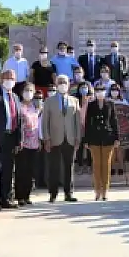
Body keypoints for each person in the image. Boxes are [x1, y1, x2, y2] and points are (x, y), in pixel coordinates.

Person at [42, 74, 83, 202]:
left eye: (64, 82)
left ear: (68, 84)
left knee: (68, 166)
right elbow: (45, 121)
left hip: (70, 138)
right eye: (60, 82)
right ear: (56, 83)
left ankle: (68, 193)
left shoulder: (74, 101)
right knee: (54, 167)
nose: (62, 84)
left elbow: (77, 121)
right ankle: (53, 193)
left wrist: (78, 137)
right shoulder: (49, 101)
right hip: (54, 138)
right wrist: (46, 138)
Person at [0, 69, 23, 209]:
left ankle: (6, 198)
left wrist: (18, 139)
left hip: (12, 136)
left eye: (13, 78)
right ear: (2, 79)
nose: (10, 80)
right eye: (7, 77)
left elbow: (18, 119)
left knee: (8, 169)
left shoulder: (15, 96)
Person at [85, 82, 120, 201]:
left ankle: (105, 191)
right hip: (94, 138)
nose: (100, 92)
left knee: (106, 165)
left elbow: (114, 121)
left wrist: (117, 138)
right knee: (96, 165)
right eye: (98, 90)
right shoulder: (91, 105)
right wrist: (86, 139)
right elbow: (87, 124)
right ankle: (97, 191)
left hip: (108, 137)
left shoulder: (110, 104)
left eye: (102, 90)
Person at [14, 82, 42, 205]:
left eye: (31, 90)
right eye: (26, 90)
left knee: (31, 171)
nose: (28, 93)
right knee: (21, 170)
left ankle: (27, 195)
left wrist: (40, 140)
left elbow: (38, 124)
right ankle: (19, 195)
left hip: (34, 143)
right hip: (23, 143)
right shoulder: (18, 106)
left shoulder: (34, 107)